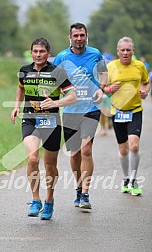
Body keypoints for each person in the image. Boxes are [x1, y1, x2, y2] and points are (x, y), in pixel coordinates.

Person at [11, 38, 77, 220]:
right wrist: (16, 106)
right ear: (31, 52)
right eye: (35, 51)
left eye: (42, 51)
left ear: (48, 53)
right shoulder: (24, 70)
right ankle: (35, 200)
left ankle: (49, 201)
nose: (38, 54)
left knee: (50, 165)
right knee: (32, 158)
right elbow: (20, 89)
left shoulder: (57, 72)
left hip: (52, 121)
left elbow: (73, 97)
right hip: (30, 119)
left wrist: (55, 102)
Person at [53, 22, 107, 209]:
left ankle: (85, 193)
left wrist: (101, 89)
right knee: (75, 154)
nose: (79, 39)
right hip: (70, 111)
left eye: (82, 35)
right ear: (70, 37)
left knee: (86, 150)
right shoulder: (61, 56)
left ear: (86, 36)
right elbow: (53, 78)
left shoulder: (95, 53)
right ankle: (78, 186)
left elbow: (103, 73)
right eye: (75, 36)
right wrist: (60, 92)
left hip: (91, 108)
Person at [103, 36, 150, 196]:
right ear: (118, 52)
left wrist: (145, 91)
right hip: (118, 112)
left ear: (133, 51)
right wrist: (110, 89)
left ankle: (133, 179)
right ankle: (124, 178)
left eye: (128, 50)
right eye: (122, 50)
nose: (125, 52)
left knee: (134, 145)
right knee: (123, 150)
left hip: (135, 110)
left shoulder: (139, 66)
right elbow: (102, 87)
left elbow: (146, 81)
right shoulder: (111, 66)